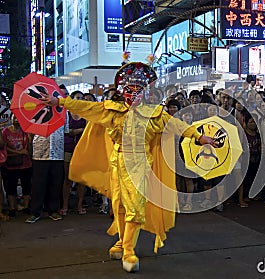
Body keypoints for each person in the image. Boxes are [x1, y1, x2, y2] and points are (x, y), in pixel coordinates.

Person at [43, 61, 216, 273]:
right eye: (129, 89)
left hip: (141, 165)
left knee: (135, 208)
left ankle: (128, 250)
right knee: (119, 207)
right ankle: (122, 242)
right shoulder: (112, 110)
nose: (133, 94)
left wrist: (199, 136)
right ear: (122, 90)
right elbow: (86, 107)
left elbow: (176, 125)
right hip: (117, 163)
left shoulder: (155, 114)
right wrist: (58, 101)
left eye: (138, 90)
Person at [2, 114, 32, 217]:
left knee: (26, 186)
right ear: (10, 118)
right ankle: (12, 208)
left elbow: (29, 146)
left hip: (25, 164)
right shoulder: (5, 131)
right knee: (11, 187)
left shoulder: (25, 130)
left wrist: (29, 134)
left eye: (18, 118)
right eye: (14, 117)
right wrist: (18, 152)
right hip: (11, 163)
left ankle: (26, 207)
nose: (16, 119)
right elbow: (4, 146)